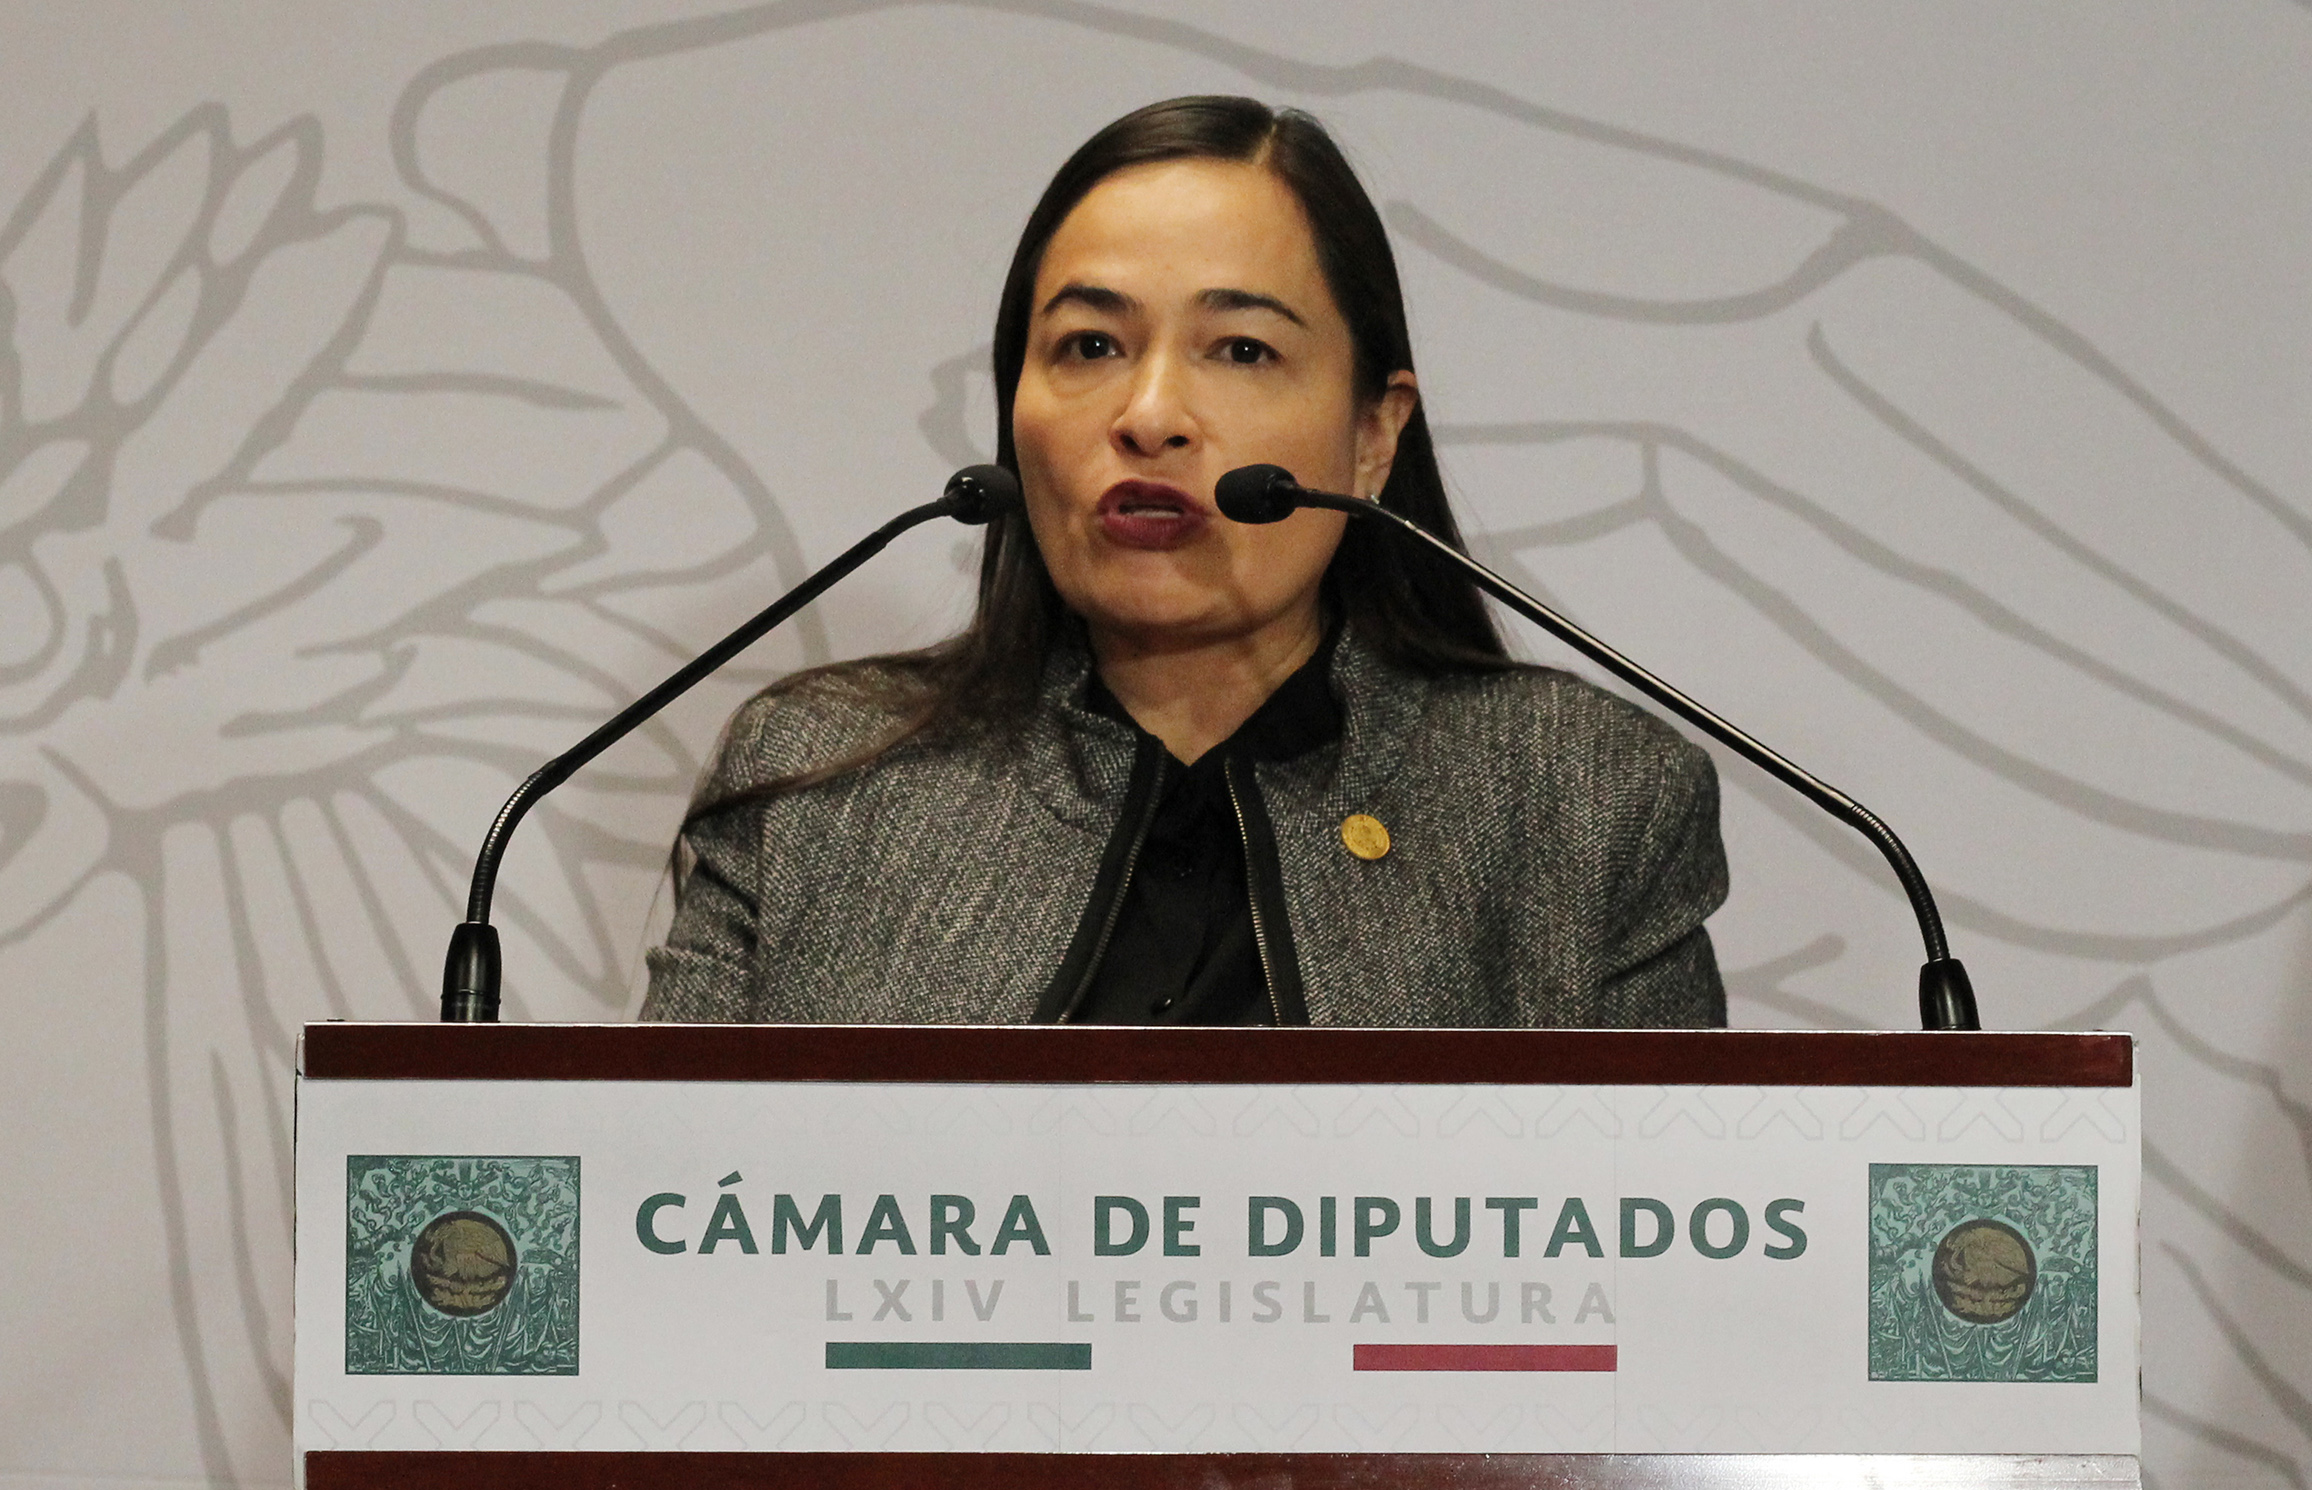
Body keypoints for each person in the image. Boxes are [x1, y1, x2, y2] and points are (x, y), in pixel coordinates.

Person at [641, 95, 1727, 1028]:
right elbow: (656, 1184)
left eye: (1242, 350)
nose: (1150, 414)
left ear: (1373, 432)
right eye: (1090, 346)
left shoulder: (1578, 800)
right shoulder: (819, 783)